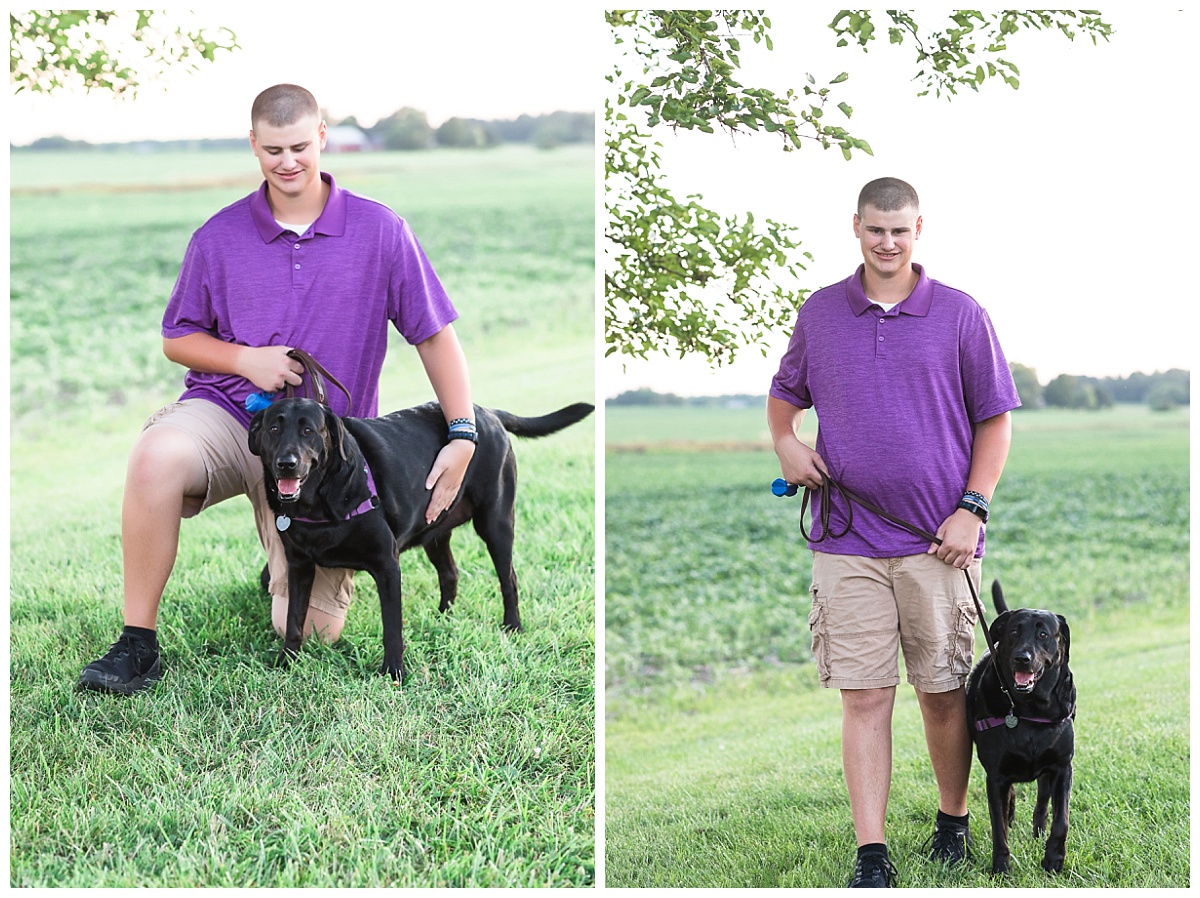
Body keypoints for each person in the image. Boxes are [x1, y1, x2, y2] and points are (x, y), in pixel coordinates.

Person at [79, 84, 478, 695]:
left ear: (322, 137)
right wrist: (245, 359)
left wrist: (462, 432)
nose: (287, 162)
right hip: (229, 414)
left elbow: (434, 335)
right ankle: (137, 643)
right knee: (155, 456)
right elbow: (177, 338)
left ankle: (280, 557)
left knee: (314, 633)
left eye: (298, 147)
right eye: (272, 150)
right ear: (253, 145)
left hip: (320, 450)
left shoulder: (380, 230)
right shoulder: (218, 236)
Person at [767, 177, 1020, 887]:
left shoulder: (962, 315)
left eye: (899, 230)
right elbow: (785, 395)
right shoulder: (821, 313)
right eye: (875, 229)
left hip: (939, 543)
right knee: (864, 696)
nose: (887, 242)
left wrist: (973, 508)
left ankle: (953, 820)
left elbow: (996, 420)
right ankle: (871, 853)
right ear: (856, 226)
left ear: (918, 230)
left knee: (942, 693)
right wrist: (786, 442)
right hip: (844, 539)